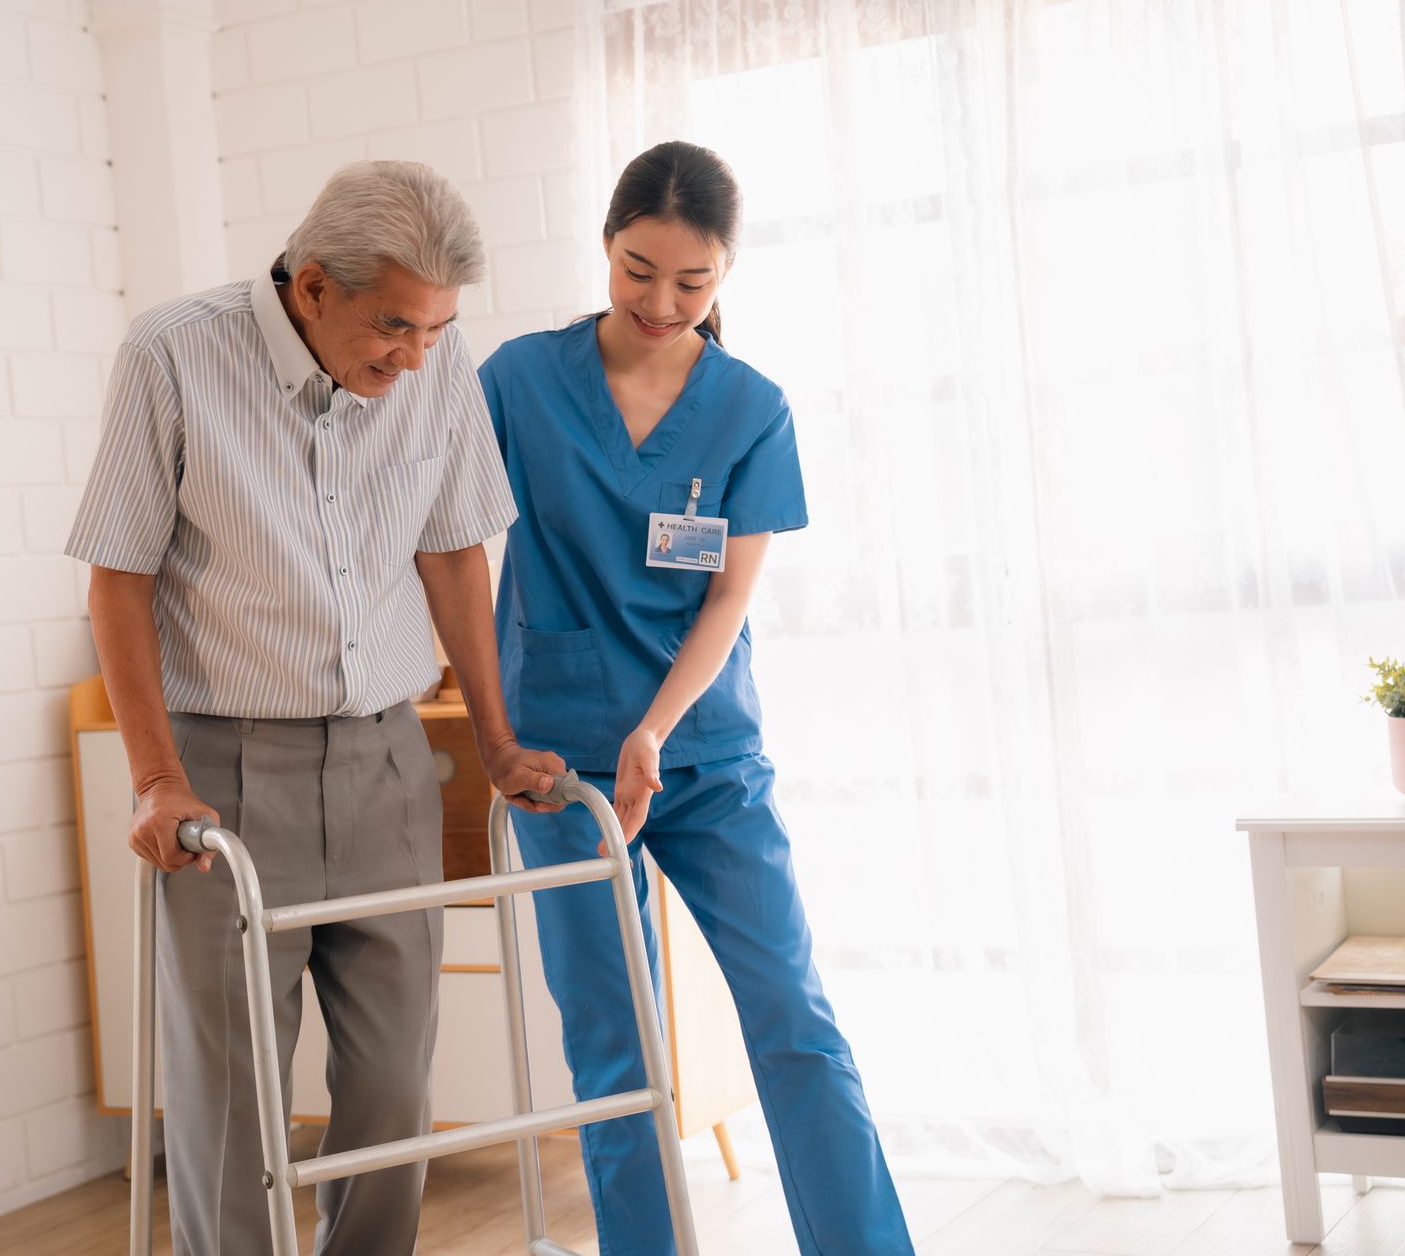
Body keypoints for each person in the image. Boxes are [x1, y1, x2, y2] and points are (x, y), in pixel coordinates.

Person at [68, 160, 565, 1256]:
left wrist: (496, 738)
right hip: (227, 774)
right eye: (395, 324)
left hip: (388, 763)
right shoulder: (173, 354)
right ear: (310, 287)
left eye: (436, 330)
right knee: (235, 1094)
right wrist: (155, 778)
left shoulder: (436, 369)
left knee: (392, 1083)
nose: (414, 355)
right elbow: (118, 577)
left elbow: (453, 549)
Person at [480, 141, 915, 1255]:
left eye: (694, 281)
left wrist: (655, 729)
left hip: (704, 754)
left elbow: (727, 600)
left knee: (793, 1019)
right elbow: (438, 530)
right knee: (613, 1044)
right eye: (638, 270)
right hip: (559, 769)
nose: (661, 302)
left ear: (726, 273)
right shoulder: (519, 382)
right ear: (606, 244)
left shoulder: (751, 409)